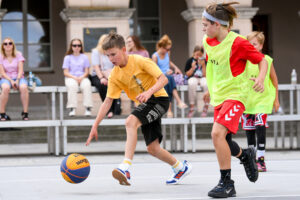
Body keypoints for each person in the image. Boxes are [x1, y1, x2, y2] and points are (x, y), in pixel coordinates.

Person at [86, 32, 191, 186]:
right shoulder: (115, 75)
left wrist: (149, 92)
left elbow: (163, 79)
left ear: (124, 50)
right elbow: (108, 101)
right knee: (153, 148)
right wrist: (95, 125)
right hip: (145, 104)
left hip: (159, 100)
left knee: (130, 122)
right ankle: (180, 168)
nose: (111, 59)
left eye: (113, 54)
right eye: (108, 56)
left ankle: (125, 167)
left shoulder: (141, 61)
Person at [201, 2, 269, 198]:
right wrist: (209, 89)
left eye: (206, 25)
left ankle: (227, 183)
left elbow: (262, 60)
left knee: (216, 135)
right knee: (224, 140)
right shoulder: (208, 40)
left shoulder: (238, 42)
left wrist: (261, 78)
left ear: (218, 24)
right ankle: (246, 155)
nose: (203, 29)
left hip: (236, 95)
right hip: (219, 96)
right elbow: (213, 66)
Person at [241, 31, 280, 172]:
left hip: (262, 99)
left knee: (260, 125)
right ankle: (252, 159)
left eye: (254, 44)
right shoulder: (244, 61)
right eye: (249, 44)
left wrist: (276, 99)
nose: (251, 46)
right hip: (247, 100)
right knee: (249, 130)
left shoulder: (267, 60)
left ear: (261, 46)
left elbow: (275, 80)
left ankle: (261, 160)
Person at [152, 34, 187, 118]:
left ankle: (170, 110)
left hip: (168, 78)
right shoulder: (155, 56)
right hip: (160, 77)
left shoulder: (167, 53)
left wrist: (175, 68)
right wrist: (164, 73)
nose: (168, 50)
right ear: (162, 47)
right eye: (167, 49)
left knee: (169, 80)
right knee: (168, 79)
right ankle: (178, 102)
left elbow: (169, 62)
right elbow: (154, 72)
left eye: (169, 49)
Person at [90, 34, 121, 118]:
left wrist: (111, 76)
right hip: (98, 75)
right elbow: (96, 67)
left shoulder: (112, 52)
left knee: (115, 84)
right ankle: (108, 110)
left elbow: (116, 65)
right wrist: (102, 78)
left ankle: (116, 110)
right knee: (102, 85)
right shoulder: (96, 52)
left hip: (111, 74)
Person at [0, 37, 29, 121]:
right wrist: (11, 81)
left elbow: (20, 70)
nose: (8, 45)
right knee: (5, 88)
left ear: (13, 45)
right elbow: (2, 73)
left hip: (18, 77)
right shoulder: (0, 56)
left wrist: (17, 80)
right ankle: (2, 113)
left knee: (24, 87)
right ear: (3, 46)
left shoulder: (18, 55)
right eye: (5, 44)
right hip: (6, 78)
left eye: (10, 43)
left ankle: (25, 112)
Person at [62, 38, 93, 117]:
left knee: (87, 85)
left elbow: (86, 71)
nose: (77, 47)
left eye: (79, 45)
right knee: (72, 86)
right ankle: (72, 108)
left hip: (82, 77)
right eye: (74, 45)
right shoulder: (67, 57)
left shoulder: (84, 57)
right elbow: (65, 72)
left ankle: (88, 108)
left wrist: (81, 77)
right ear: (71, 47)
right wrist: (75, 78)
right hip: (71, 77)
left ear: (81, 47)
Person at [184, 45, 209, 118]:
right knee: (191, 83)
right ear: (194, 53)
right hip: (193, 77)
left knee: (206, 84)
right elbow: (187, 74)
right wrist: (192, 67)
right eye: (197, 55)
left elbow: (206, 75)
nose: (198, 57)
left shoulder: (205, 61)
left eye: (200, 55)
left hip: (203, 78)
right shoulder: (190, 60)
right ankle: (192, 106)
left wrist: (203, 65)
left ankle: (206, 106)